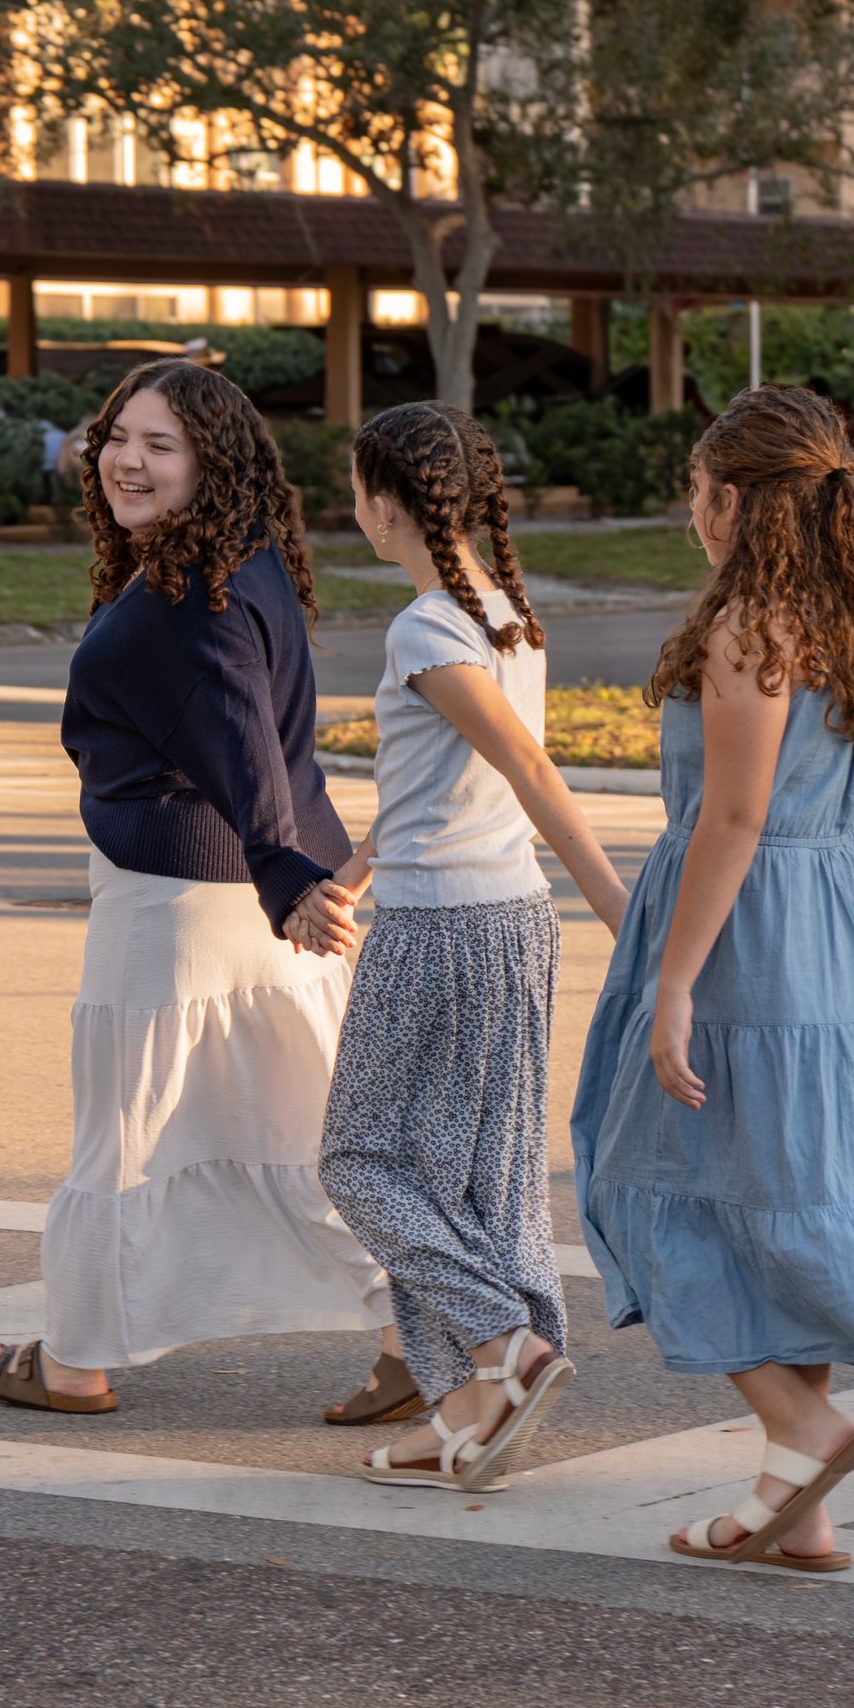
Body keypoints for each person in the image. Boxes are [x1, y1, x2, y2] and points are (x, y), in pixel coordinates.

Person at [0, 360, 389, 1416]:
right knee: (299, 1136)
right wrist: (290, 875)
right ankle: (433, 1334)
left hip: (186, 904)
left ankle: (72, 1358)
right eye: (120, 436)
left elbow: (242, 740)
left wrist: (282, 872)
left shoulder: (182, 597)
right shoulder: (241, 564)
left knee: (131, 1128)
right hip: (263, 898)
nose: (128, 460)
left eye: (161, 446)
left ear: (213, 465)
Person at [569, 384, 854, 1570]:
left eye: (694, 488)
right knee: (785, 1193)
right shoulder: (852, 621)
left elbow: (731, 817)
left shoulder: (752, 628)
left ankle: (800, 1423)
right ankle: (796, 1502)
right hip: (832, 925)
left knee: (644, 1175)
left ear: (729, 498)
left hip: (746, 928)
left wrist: (671, 982)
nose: (691, 510)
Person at [307, 403, 632, 1492]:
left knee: (359, 1161)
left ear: (385, 504)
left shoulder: (425, 627)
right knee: (470, 1182)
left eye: (356, 487)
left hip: (443, 929)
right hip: (505, 922)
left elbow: (533, 775)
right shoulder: (503, 616)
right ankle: (463, 1413)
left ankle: (504, 1341)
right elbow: (431, 791)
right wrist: (343, 880)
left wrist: (621, 911)